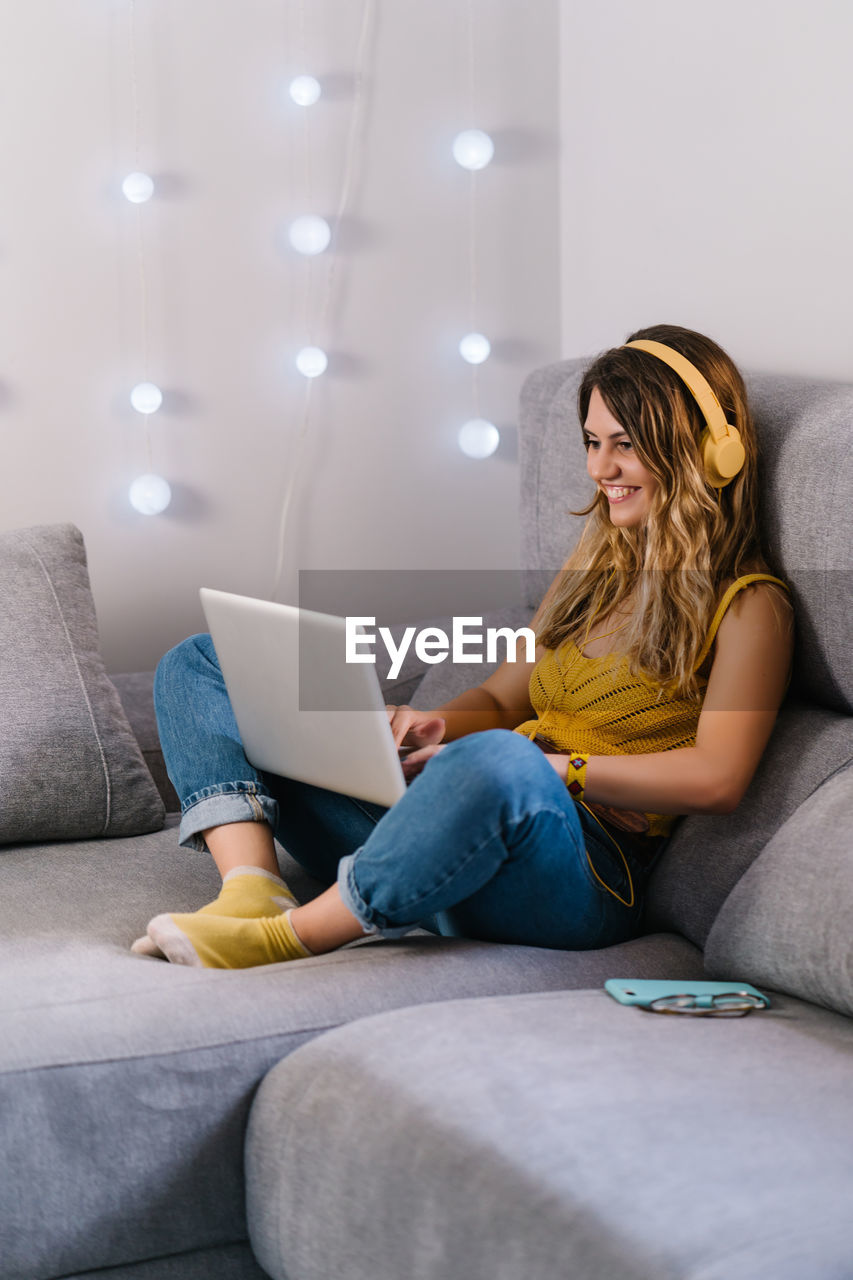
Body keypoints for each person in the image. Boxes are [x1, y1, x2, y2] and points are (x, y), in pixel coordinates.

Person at [135, 323, 794, 968]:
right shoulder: (592, 569)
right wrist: (435, 724)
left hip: (580, 873)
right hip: (456, 826)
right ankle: (251, 889)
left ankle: (290, 938)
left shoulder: (748, 604)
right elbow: (503, 697)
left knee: (505, 761)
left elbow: (717, 778)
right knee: (201, 659)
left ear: (709, 452)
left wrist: (558, 771)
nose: (599, 468)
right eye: (591, 442)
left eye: (624, 445)